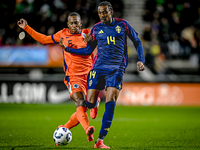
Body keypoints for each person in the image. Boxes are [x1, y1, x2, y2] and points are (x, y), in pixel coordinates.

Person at [59, 1, 145, 149]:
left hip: (116, 69)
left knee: (111, 101)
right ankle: (73, 120)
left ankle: (100, 140)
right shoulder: (96, 29)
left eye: (104, 12)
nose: (102, 15)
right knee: (88, 104)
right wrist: (68, 49)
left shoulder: (123, 25)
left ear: (111, 11)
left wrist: (141, 60)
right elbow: (87, 51)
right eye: (99, 13)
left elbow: (137, 42)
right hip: (97, 69)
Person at [17, 12, 101, 143]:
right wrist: (26, 27)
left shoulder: (88, 34)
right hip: (74, 77)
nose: (74, 25)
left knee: (86, 106)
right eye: (71, 23)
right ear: (68, 24)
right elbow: (44, 39)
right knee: (80, 104)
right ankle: (87, 130)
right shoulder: (62, 34)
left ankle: (86, 110)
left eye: (76, 22)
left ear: (81, 23)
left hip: (90, 77)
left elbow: (99, 45)